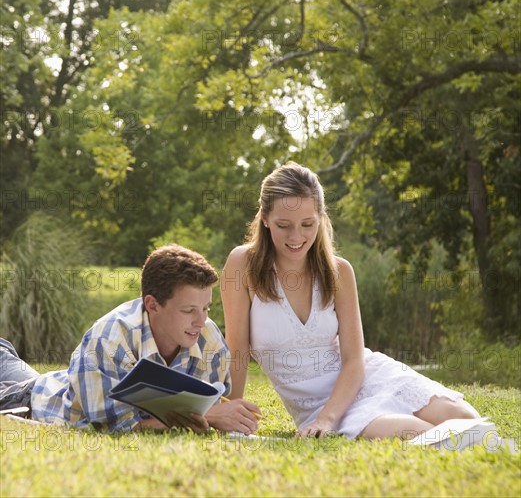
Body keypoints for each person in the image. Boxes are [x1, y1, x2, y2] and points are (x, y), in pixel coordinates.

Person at [222, 162, 480, 440]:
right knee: (423, 435)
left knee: (468, 421)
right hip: (318, 405)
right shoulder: (242, 264)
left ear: (321, 217)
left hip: (367, 378)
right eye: (283, 225)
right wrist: (230, 409)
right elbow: (236, 350)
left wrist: (327, 420)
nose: (296, 237)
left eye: (307, 224)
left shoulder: (339, 271)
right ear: (264, 217)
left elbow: (354, 360)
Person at [0, 244, 260, 433]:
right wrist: (209, 415)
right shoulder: (110, 338)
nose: (201, 321)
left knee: (8, 362)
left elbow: (213, 406)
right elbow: (111, 426)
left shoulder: (208, 337)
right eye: (189, 310)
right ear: (152, 304)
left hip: (52, 382)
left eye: (206, 308)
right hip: (28, 401)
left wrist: (224, 415)